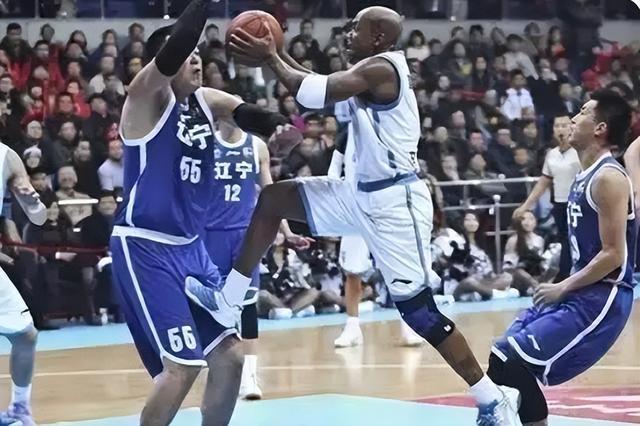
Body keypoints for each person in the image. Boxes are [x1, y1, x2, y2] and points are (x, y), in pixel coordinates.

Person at [210, 6, 520, 424]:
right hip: (357, 194)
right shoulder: (367, 72)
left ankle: (492, 398)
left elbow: (313, 93)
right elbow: (319, 85)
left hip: (395, 204)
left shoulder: (382, 68)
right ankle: (230, 297)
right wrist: (277, 56)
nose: (347, 32)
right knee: (274, 199)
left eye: (356, 27)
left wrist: (270, 57)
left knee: (420, 314)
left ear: (378, 38)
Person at [108, 2, 291, 424]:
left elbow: (245, 112)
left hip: (191, 249)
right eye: (188, 55)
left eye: (199, 56)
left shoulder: (205, 102)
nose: (197, 61)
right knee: (182, 366)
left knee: (230, 355)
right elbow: (176, 47)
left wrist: (279, 128)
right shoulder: (144, 99)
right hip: (146, 246)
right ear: (163, 61)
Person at [488, 90, 635, 425]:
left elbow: (614, 255)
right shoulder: (583, 175)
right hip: (580, 289)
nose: (572, 118)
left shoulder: (609, 178)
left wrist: (562, 286)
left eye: (582, 112)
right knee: (501, 356)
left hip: (602, 297)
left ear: (599, 128)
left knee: (511, 360)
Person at [203, 118, 310, 400]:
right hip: (210, 234)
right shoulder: (206, 143)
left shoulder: (256, 147)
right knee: (215, 307)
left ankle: (249, 376)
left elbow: (269, 193)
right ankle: (219, 370)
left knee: (247, 305)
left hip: (244, 234)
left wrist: (287, 232)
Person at [329, 126, 423, 349]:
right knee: (352, 271)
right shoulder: (347, 133)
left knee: (399, 269)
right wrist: (337, 197)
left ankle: (408, 325)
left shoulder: (391, 129)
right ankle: (352, 327)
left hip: (387, 207)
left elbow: (409, 168)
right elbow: (334, 170)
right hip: (355, 209)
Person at [0, 142, 47, 426]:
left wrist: (33, 202)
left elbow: (38, 217)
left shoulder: (7, 157)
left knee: (25, 335)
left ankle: (19, 408)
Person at [513, 115, 581, 281]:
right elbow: (544, 181)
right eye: (557, 126)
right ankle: (566, 276)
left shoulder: (579, 151)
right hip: (560, 203)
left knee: (579, 240)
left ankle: (570, 275)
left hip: (579, 202)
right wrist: (526, 206)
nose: (560, 129)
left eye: (564, 125)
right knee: (565, 240)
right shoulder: (552, 154)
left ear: (572, 127)